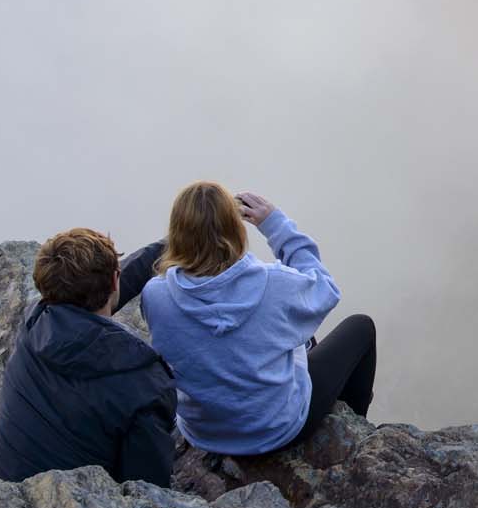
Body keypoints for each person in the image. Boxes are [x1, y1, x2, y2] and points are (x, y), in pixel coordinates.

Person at [142, 181, 375, 456]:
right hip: (277, 429)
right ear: (235, 228)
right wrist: (274, 223)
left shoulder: (156, 295)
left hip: (205, 432)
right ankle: (354, 434)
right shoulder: (274, 284)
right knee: (361, 327)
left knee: (297, 336)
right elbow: (325, 289)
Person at [0, 227, 177, 486]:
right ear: (114, 281)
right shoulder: (144, 385)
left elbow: (100, 289)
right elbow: (148, 487)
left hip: (6, 492)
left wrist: (178, 240)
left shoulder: (35, 322)